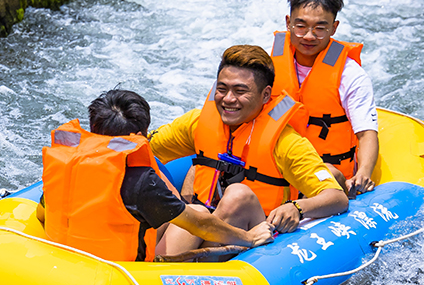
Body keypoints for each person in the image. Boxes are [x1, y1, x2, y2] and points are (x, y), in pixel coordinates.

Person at [150, 45, 349, 258]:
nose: (228, 99)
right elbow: (147, 147)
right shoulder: (197, 123)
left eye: (240, 91)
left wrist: (297, 208)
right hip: (202, 220)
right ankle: (153, 270)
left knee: (238, 195)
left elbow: (336, 197)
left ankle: (172, 272)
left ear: (265, 96)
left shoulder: (286, 142)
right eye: (222, 88)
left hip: (254, 231)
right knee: (173, 191)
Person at [40, 89, 273, 262]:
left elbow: (43, 213)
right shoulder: (140, 180)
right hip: (121, 277)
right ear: (142, 134)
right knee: (200, 211)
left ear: (93, 128)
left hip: (63, 264)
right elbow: (200, 225)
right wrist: (248, 237)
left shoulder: (67, 166)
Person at [269, 0, 379, 196]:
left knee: (326, 172)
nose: (309, 36)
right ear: (288, 22)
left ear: (334, 27)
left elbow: (366, 133)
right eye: (300, 26)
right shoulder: (267, 67)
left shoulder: (350, 75)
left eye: (320, 28)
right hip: (277, 166)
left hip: (326, 172)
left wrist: (364, 172)